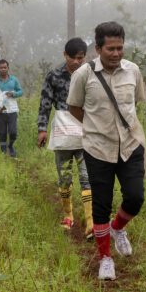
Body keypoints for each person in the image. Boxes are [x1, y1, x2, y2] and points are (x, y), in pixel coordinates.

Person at [67, 21, 146, 281]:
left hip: (130, 145)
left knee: (135, 197)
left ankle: (117, 228)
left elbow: (134, 103)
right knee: (100, 206)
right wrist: (95, 128)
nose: (116, 53)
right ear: (98, 48)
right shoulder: (83, 75)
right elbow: (75, 107)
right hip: (97, 149)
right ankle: (105, 258)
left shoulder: (133, 71)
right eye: (110, 48)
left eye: (120, 48)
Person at [37, 37, 93, 238]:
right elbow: (45, 103)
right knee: (65, 176)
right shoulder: (54, 76)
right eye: (73, 58)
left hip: (85, 131)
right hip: (62, 132)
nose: (77, 62)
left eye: (80, 58)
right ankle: (68, 215)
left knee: (87, 177)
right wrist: (42, 129)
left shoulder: (89, 75)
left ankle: (90, 223)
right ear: (65, 55)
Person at [0, 59, 23, 156]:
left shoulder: (14, 80)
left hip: (12, 111)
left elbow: (21, 92)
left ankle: (11, 146)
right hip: (0, 112)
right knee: (2, 133)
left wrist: (13, 94)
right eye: (1, 68)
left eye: (5, 67)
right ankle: (3, 152)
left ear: (8, 68)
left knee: (13, 132)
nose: (3, 69)